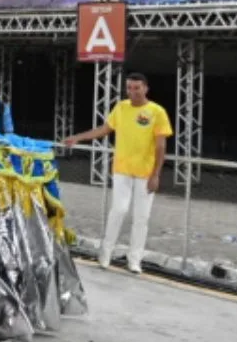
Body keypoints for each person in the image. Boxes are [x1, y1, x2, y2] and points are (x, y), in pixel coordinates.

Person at [64, 72, 172, 273]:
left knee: (142, 217)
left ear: (146, 88)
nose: (132, 92)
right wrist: (78, 137)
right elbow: (104, 130)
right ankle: (105, 255)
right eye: (129, 88)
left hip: (145, 173)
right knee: (119, 210)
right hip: (122, 169)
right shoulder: (121, 108)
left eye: (137, 88)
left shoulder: (157, 112)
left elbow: (160, 147)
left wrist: (156, 174)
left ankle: (134, 260)